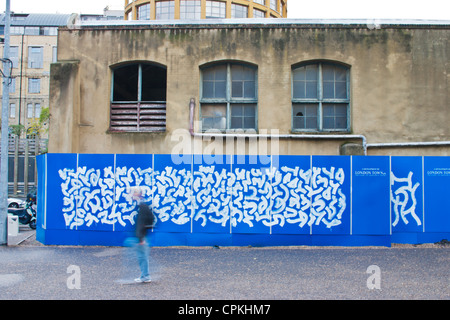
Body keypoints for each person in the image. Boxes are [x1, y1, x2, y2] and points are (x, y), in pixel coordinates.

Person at [124, 186, 155, 283]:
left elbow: (143, 222)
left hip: (141, 237)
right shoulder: (143, 205)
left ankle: (145, 276)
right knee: (142, 257)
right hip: (142, 236)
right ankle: (145, 276)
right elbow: (150, 219)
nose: (132, 195)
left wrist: (141, 237)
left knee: (142, 257)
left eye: (134, 193)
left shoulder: (142, 206)